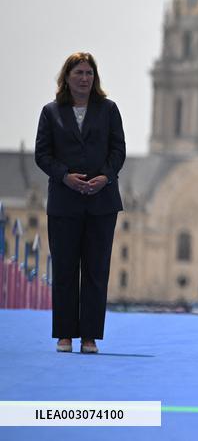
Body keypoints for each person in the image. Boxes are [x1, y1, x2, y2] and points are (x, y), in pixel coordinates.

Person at [35, 52, 126, 354]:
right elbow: (43, 154)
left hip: (102, 201)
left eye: (89, 73)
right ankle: (64, 335)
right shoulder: (51, 112)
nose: (85, 78)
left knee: (96, 271)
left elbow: (118, 150)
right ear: (67, 78)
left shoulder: (109, 110)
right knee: (64, 270)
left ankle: (89, 337)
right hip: (64, 201)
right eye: (79, 73)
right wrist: (65, 177)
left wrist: (105, 177)